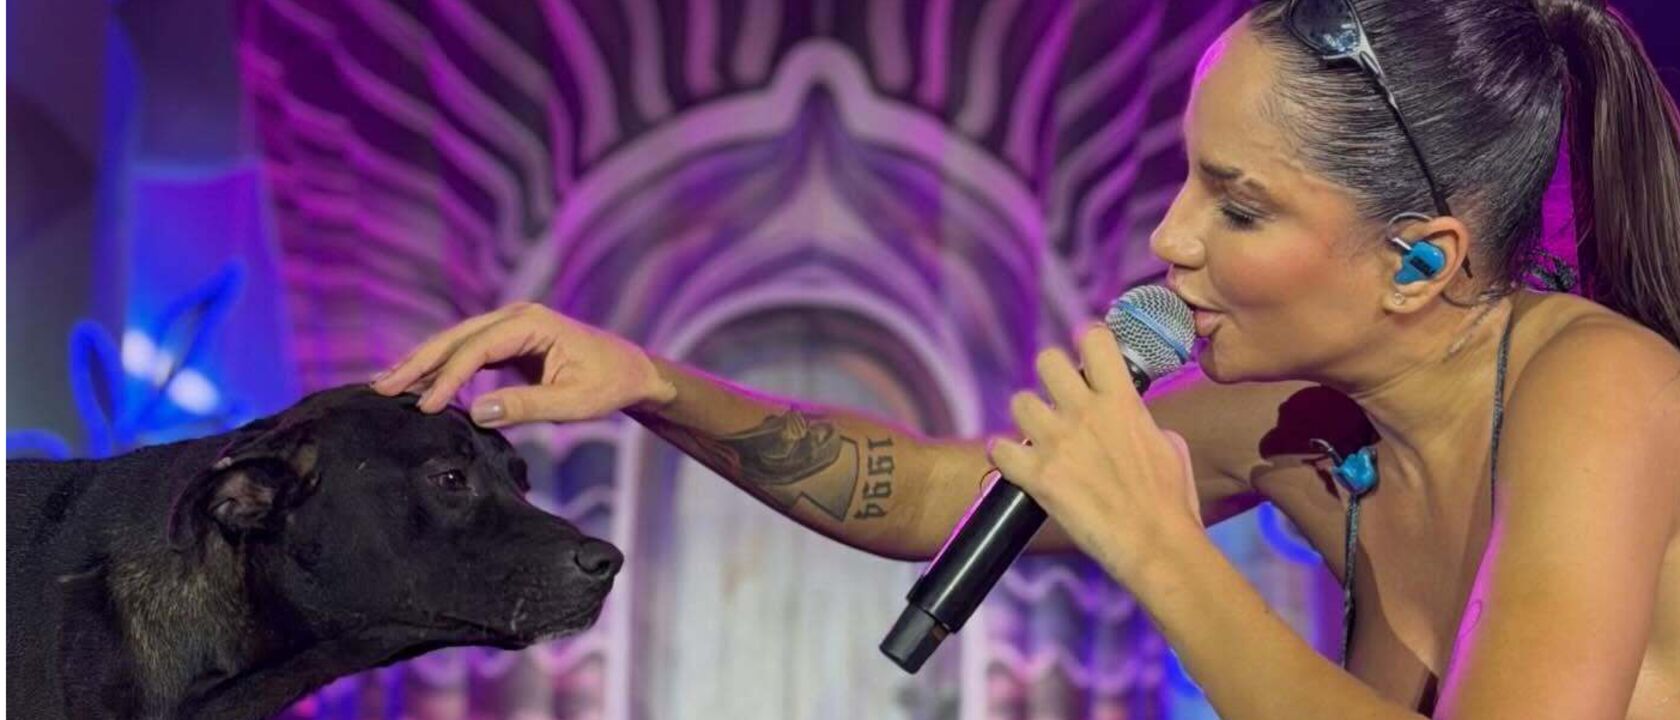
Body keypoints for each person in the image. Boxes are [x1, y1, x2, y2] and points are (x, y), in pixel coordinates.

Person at [372, 0, 1680, 716]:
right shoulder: (1309, 418)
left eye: (1238, 207)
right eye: (1188, 178)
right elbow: (935, 496)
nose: (1169, 237)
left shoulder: (1597, 388)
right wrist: (657, 385)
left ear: (1418, 261)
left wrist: (1159, 547)